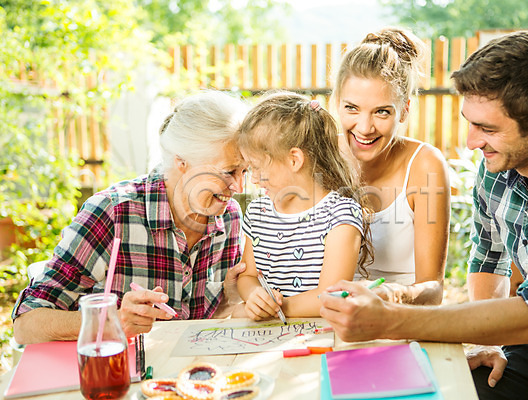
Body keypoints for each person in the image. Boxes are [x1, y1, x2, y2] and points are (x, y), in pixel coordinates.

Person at [320, 30, 528, 399]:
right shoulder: (497, 168)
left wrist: (391, 319)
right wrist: (490, 343)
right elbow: (489, 261)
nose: (471, 141)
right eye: (470, 123)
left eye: (487, 128)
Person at [12, 90, 249, 344]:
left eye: (245, 170)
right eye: (229, 171)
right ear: (183, 162)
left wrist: (230, 299)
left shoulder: (228, 216)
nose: (240, 187)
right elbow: (26, 324)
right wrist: (111, 321)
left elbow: (200, 327)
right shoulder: (111, 212)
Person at [331, 27, 450, 305]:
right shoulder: (320, 153)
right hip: (327, 317)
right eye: (352, 108)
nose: (365, 127)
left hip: (400, 320)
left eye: (382, 111)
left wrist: (393, 296)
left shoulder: (425, 166)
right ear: (336, 102)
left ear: (405, 110)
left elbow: (433, 292)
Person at [234, 91, 373, 320]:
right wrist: (255, 295)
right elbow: (248, 276)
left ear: (294, 160)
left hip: (321, 337)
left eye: (257, 168)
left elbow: (331, 297)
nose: (254, 179)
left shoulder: (340, 216)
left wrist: (275, 309)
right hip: (266, 338)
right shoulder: (258, 212)